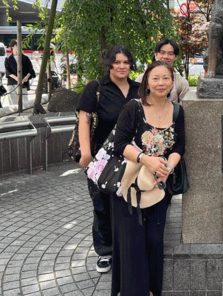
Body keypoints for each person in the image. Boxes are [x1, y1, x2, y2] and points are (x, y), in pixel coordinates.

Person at [112, 61, 185, 296]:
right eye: (155, 78)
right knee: (133, 242)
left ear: (172, 82)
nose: (161, 83)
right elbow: (119, 143)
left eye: (165, 78)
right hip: (131, 185)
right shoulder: (134, 108)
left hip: (158, 186)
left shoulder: (177, 111)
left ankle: (153, 290)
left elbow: (180, 145)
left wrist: (168, 167)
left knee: (155, 240)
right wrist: (147, 159)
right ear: (146, 82)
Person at [77, 45, 140, 274]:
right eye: (117, 62)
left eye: (126, 62)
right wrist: (86, 153)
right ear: (109, 64)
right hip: (102, 158)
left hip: (133, 157)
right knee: (102, 205)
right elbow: (84, 120)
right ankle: (105, 251)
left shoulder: (139, 88)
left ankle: (127, 247)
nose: (122, 66)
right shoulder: (96, 88)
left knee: (129, 202)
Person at [135, 39, 190, 104]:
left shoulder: (181, 83)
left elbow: (184, 109)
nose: (166, 56)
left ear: (175, 57)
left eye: (170, 53)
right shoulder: (141, 79)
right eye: (162, 53)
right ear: (156, 54)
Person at [5, 39, 36, 105]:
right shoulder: (8, 59)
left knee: (24, 103)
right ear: (12, 47)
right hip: (12, 83)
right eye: (16, 46)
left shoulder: (25, 58)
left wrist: (26, 77)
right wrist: (16, 78)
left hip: (23, 83)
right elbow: (8, 72)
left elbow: (30, 70)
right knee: (13, 104)